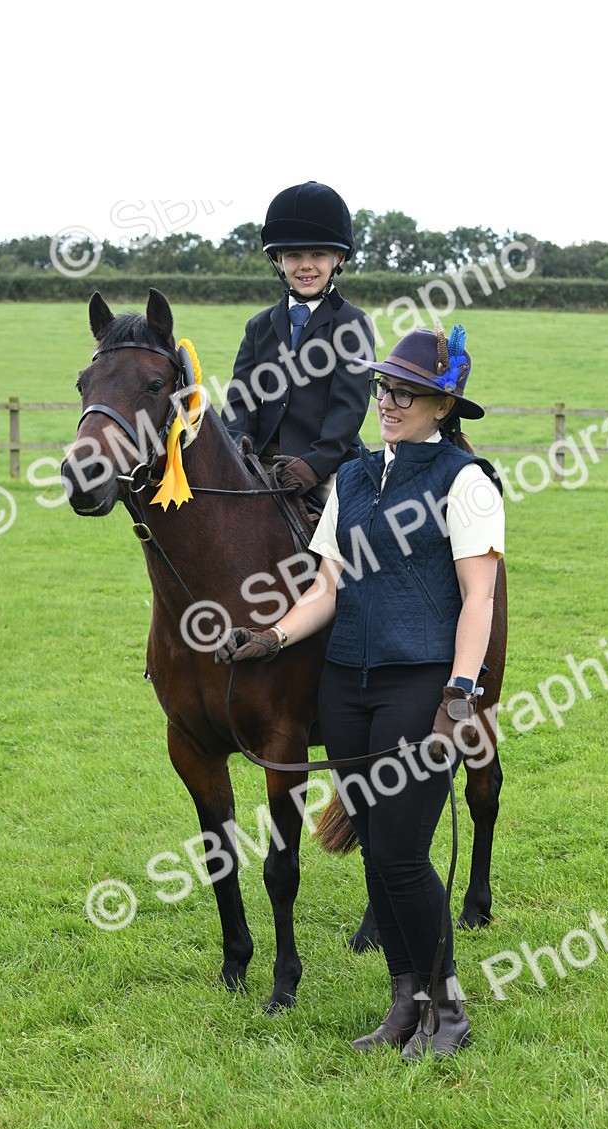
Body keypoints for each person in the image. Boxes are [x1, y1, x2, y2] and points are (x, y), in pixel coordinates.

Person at [218, 324, 505, 1059]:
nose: (388, 400)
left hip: (421, 686)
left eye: (406, 392)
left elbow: (480, 599)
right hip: (347, 684)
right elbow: (328, 586)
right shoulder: (350, 479)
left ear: (443, 406)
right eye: (383, 387)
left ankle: (450, 1010)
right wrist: (275, 637)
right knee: (376, 850)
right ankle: (403, 1005)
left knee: (405, 853)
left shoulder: (465, 483)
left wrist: (461, 693)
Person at [221, 181, 375, 510]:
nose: (305, 265)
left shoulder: (352, 324)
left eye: (317, 253)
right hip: (259, 464)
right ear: (279, 259)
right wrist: (236, 452)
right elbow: (239, 400)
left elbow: (348, 410)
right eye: (294, 255)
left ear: (339, 257)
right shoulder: (259, 327)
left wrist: (313, 465)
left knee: (352, 530)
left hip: (327, 467)